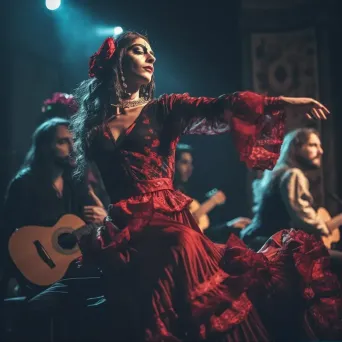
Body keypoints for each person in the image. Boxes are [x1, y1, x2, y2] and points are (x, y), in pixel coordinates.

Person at [70, 32, 341, 341]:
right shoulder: (93, 123)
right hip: (122, 230)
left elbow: (218, 106)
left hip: (166, 221)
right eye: (139, 51)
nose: (151, 58)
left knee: (184, 254)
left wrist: (280, 102)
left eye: (152, 51)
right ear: (118, 60)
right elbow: (89, 180)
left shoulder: (162, 110)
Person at [2, 118, 108, 340]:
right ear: (44, 146)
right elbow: (7, 231)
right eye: (63, 141)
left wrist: (104, 217)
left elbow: (87, 227)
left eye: (72, 141)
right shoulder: (24, 184)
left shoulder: (75, 184)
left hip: (69, 271)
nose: (72, 147)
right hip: (32, 274)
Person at [240, 128, 330, 250]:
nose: (321, 151)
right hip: (274, 246)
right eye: (313, 145)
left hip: (259, 241)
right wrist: (323, 228)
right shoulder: (293, 174)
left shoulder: (277, 173)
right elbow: (303, 215)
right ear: (295, 148)